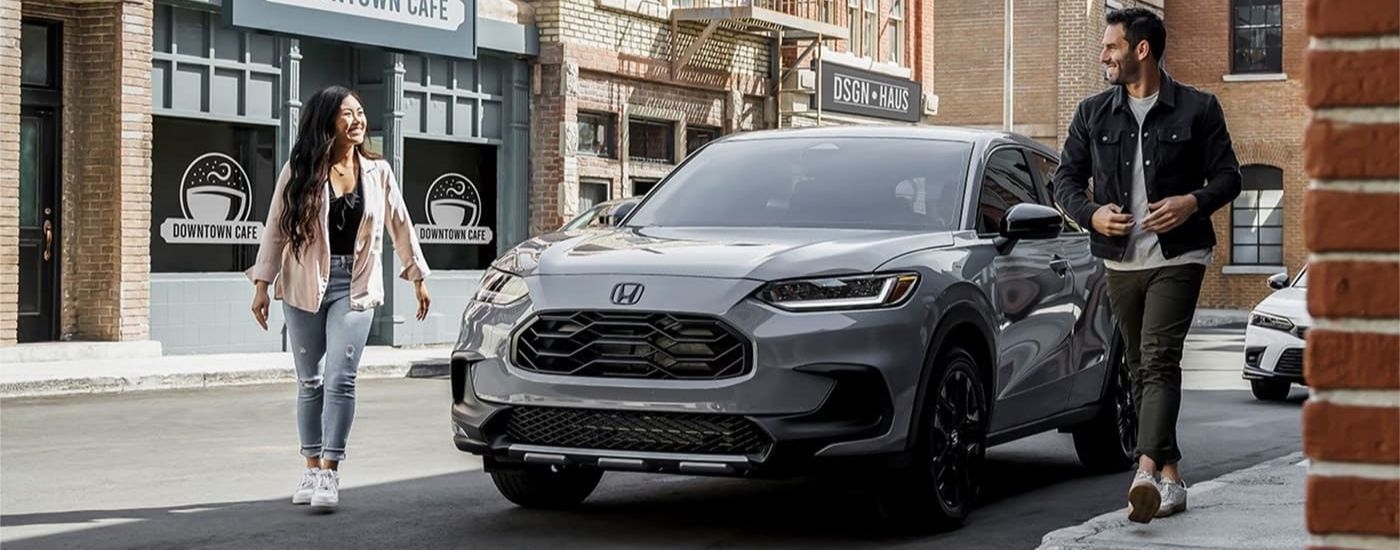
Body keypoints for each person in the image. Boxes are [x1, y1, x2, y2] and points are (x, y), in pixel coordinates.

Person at [1053, 8, 1241, 523]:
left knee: (1157, 357)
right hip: (1120, 260)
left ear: (1141, 50)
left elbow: (1229, 177)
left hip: (1180, 254)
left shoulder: (1199, 109)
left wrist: (1191, 203)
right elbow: (1063, 181)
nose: (1102, 56)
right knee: (1139, 366)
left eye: (1111, 47)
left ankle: (1143, 469)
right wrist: (1091, 213)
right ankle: (1172, 477)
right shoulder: (1092, 113)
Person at [246, 85, 433, 510]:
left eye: (360, 113)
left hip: (357, 284)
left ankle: (330, 472)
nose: (357, 120)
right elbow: (275, 225)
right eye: (347, 113)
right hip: (304, 283)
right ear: (328, 119)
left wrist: (416, 276)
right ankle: (311, 468)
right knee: (310, 380)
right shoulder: (300, 168)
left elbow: (400, 224)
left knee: (341, 377)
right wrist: (262, 283)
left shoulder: (377, 171)